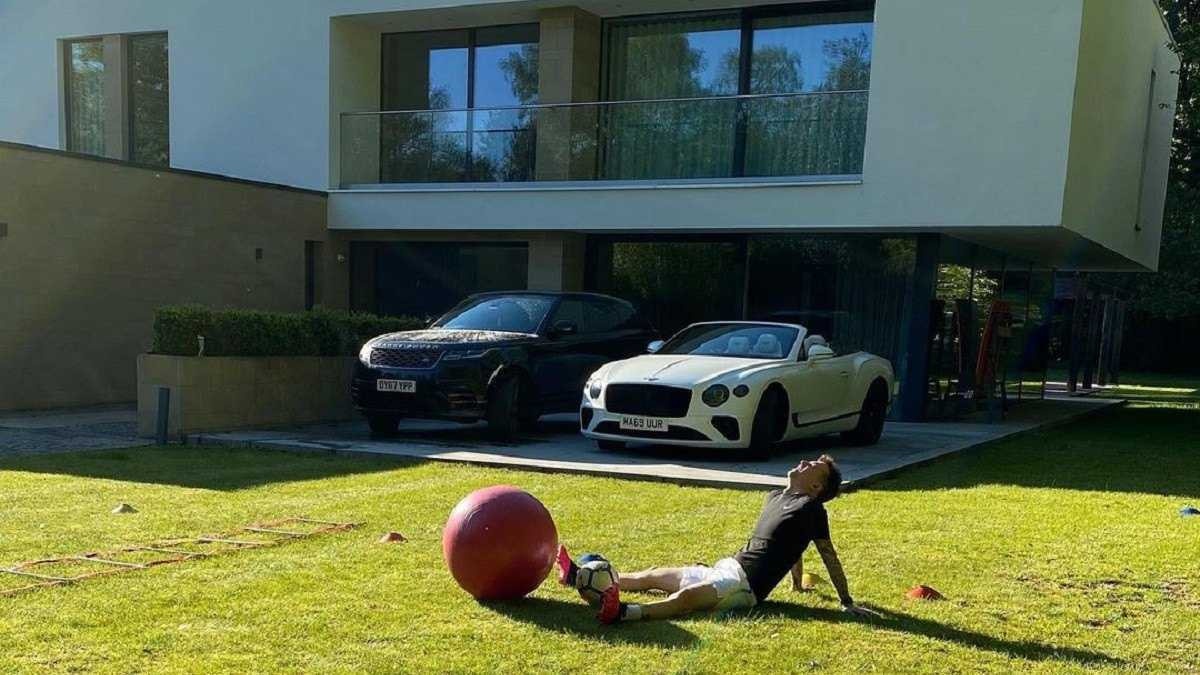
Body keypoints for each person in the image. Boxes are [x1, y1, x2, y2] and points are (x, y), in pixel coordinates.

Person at [556, 455, 877, 623]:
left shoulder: (811, 508)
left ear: (817, 488)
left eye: (812, 467)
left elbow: (827, 554)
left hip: (743, 587)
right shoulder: (777, 497)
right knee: (650, 575)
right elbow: (795, 546)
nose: (804, 463)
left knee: (686, 598)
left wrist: (847, 602)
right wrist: (795, 584)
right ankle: (576, 577)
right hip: (726, 568)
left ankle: (624, 613)